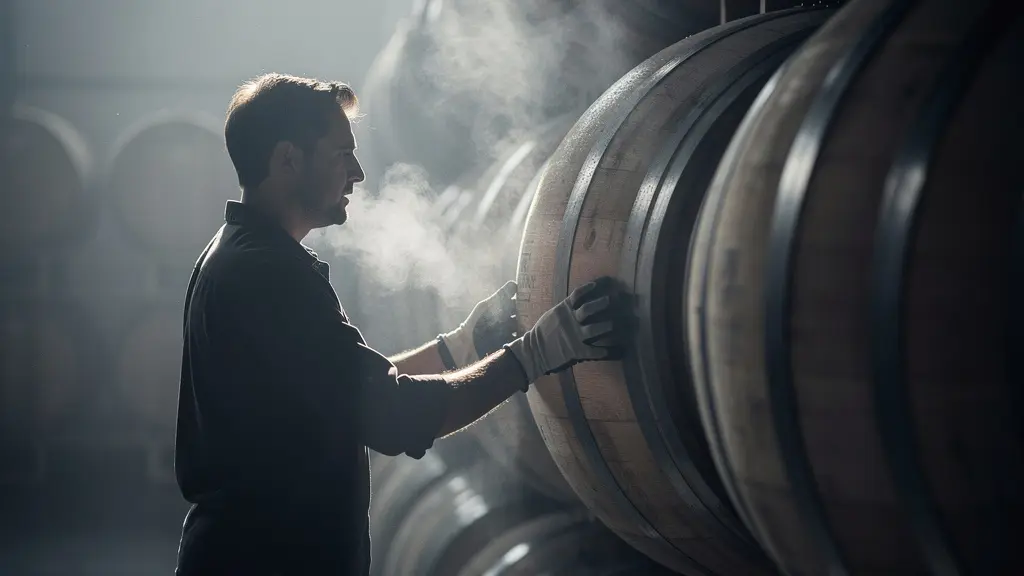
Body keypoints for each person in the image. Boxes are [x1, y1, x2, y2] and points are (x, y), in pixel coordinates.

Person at [173, 73, 628, 575]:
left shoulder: (237, 254)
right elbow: (390, 416)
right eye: (341, 154)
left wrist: (461, 346)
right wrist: (534, 355)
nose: (358, 172)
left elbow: (338, 395)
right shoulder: (269, 276)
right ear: (288, 160)